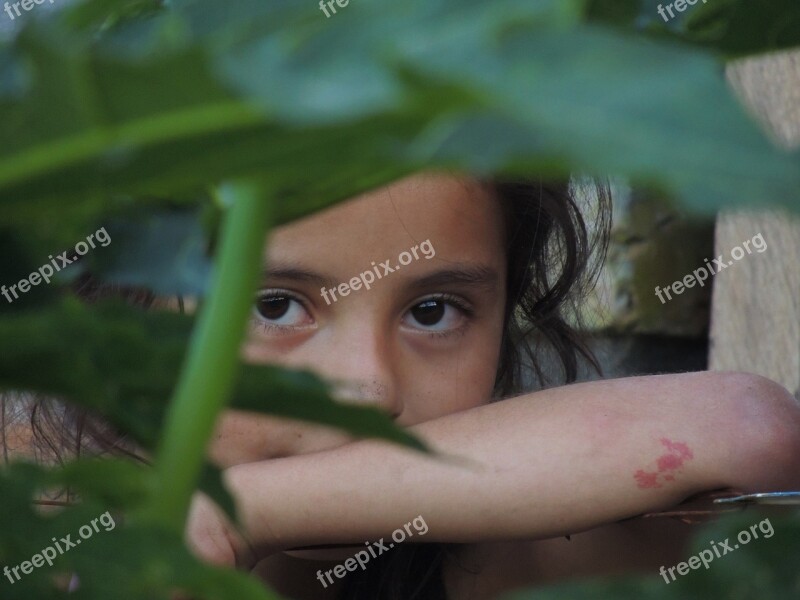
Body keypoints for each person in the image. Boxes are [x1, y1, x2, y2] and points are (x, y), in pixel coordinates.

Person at [183, 171, 800, 600]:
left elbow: (747, 432)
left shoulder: (497, 567)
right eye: (274, 305)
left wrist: (234, 512)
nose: (370, 389)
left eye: (433, 312)